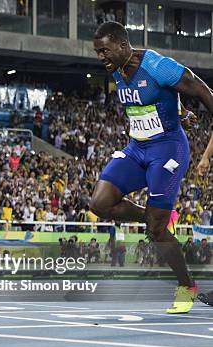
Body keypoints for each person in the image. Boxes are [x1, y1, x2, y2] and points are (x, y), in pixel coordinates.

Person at [90, 22, 213, 314]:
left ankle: (187, 286)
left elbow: (203, 91)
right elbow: (152, 104)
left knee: (156, 231)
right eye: (97, 52)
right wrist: (181, 113)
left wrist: (207, 150)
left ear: (123, 45)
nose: (100, 57)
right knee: (99, 203)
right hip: (136, 147)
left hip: (168, 149)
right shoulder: (116, 69)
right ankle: (157, 218)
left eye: (104, 50)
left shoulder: (158, 66)